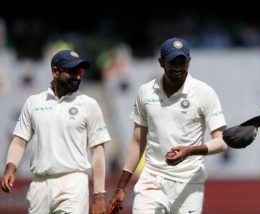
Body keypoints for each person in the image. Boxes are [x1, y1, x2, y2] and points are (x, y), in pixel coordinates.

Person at [107, 37, 228, 214]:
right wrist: (121, 187)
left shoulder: (204, 93)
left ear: (189, 62)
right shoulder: (145, 92)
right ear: (161, 62)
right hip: (152, 178)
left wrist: (191, 150)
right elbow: (137, 140)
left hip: (189, 182)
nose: (178, 68)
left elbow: (222, 141)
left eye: (182, 61)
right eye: (173, 62)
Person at [1, 50, 111, 214]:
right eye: (72, 72)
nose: (78, 77)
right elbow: (19, 141)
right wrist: (10, 168)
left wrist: (99, 195)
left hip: (73, 183)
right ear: (55, 71)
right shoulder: (34, 102)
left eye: (80, 72)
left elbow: (98, 152)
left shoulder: (89, 104)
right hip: (39, 185)